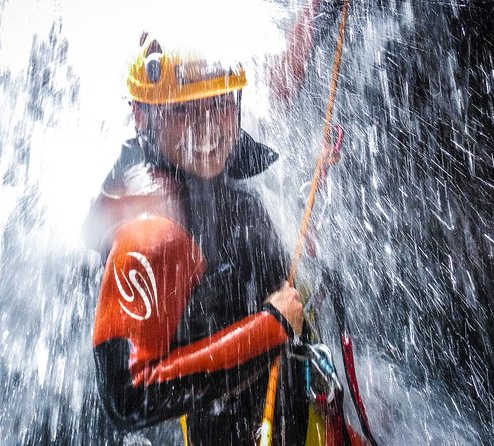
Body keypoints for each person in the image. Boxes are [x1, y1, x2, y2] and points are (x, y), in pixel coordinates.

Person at [82, 2, 343, 444]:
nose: (207, 129)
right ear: (143, 116)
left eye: (221, 103)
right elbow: (126, 396)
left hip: (299, 416)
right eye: (184, 111)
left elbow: (280, 87)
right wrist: (270, 328)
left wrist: (319, 12)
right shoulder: (151, 227)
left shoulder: (211, 163)